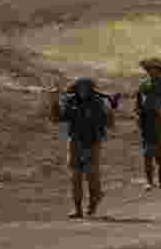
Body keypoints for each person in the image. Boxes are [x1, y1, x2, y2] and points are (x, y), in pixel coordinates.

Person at [49, 77, 114, 218]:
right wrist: (54, 102)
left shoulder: (98, 103)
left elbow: (109, 124)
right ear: (76, 89)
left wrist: (109, 110)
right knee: (75, 177)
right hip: (75, 143)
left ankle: (93, 201)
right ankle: (78, 208)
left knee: (91, 176)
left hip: (92, 143)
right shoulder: (71, 102)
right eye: (80, 88)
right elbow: (56, 118)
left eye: (85, 88)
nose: (83, 90)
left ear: (91, 89)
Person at [133, 58, 161, 190]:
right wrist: (138, 114)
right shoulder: (143, 85)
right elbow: (138, 103)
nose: (152, 72)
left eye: (155, 69)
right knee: (147, 153)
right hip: (147, 123)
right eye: (149, 70)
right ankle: (149, 181)